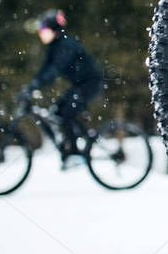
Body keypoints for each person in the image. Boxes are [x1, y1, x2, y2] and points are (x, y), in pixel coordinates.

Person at [18, 10, 104, 168]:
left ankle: (75, 154)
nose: (41, 35)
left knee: (66, 114)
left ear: (54, 30)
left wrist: (35, 86)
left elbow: (54, 70)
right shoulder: (54, 47)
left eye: (44, 31)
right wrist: (31, 87)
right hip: (80, 85)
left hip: (90, 83)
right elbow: (44, 70)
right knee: (57, 112)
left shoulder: (66, 45)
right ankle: (72, 144)